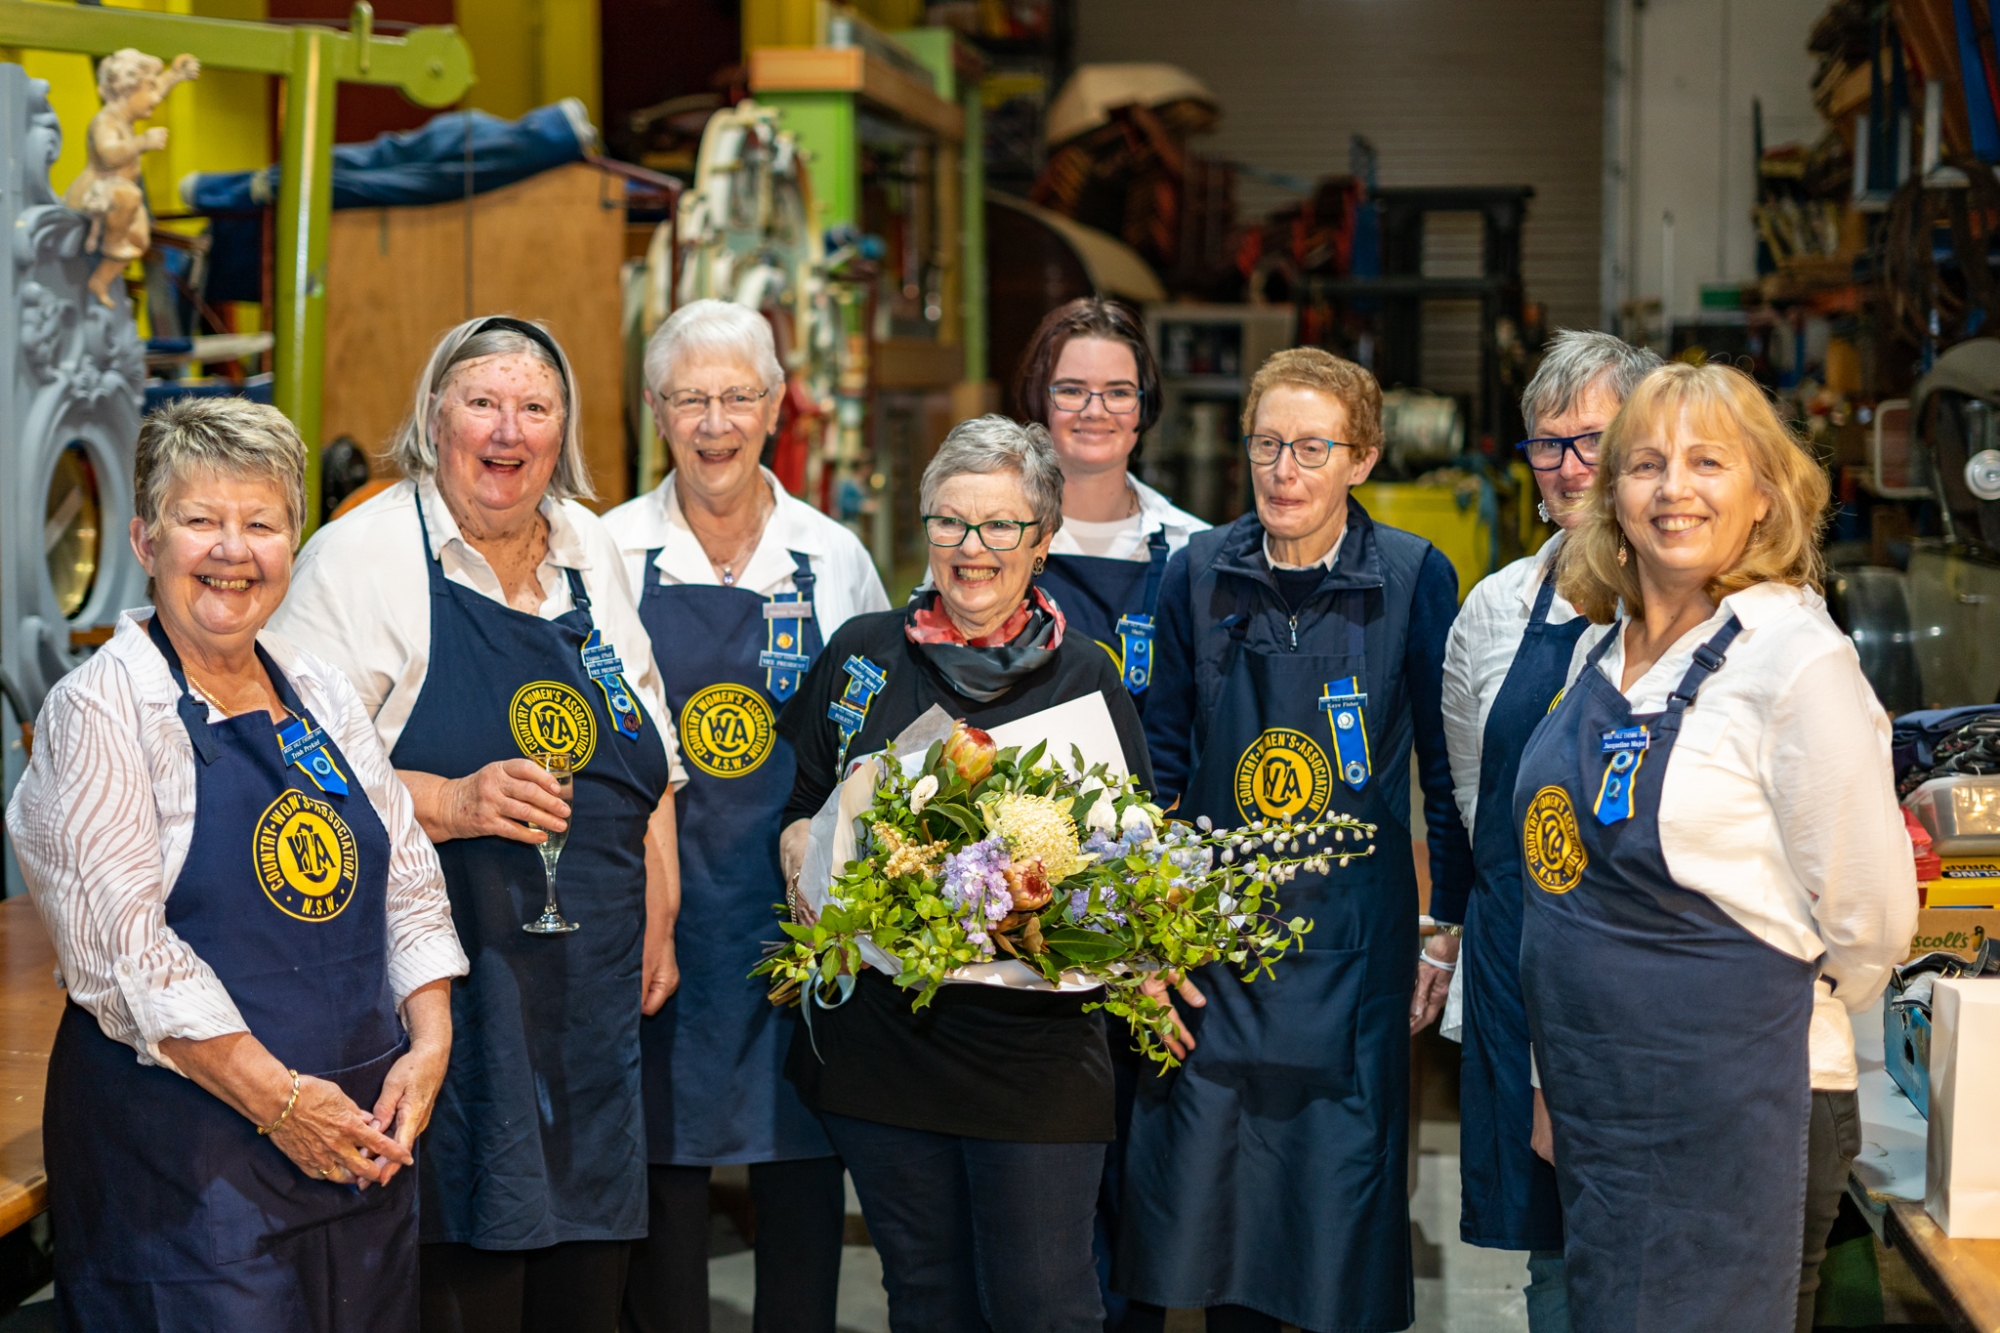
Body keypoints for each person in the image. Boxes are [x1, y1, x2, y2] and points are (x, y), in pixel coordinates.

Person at [7, 397, 466, 1329]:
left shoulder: (321, 688)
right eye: (200, 519)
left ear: (292, 543)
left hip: (358, 1152)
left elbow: (408, 876)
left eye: (261, 523)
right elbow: (129, 956)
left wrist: (429, 1044)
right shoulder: (99, 709)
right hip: (191, 1177)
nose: (232, 550)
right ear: (144, 539)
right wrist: (285, 1104)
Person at [272, 316, 685, 1333]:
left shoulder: (588, 546)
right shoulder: (360, 557)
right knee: (466, 1286)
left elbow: (653, 751)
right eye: (483, 403)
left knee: (585, 1295)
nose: (509, 430)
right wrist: (451, 802)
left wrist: (662, 904)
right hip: (443, 1005)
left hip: (588, 1015)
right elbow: (288, 767)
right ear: (434, 417)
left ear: (563, 429)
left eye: (535, 407)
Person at [1521, 361, 1917, 1331]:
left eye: (1708, 462)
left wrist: (1743, 1010)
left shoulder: (1796, 659)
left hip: (1739, 1110)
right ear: (1611, 496)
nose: (1674, 489)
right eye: (1645, 464)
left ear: (1764, 494)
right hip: (1600, 1102)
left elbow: (1871, 920)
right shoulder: (1599, 650)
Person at [1118, 347, 1473, 1333]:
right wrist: (1146, 934)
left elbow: (1445, 772)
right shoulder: (1197, 573)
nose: (1284, 470)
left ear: (1361, 458)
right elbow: (1160, 766)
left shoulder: (1411, 578)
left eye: (1312, 447)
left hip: (1349, 960)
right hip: (1214, 959)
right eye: (1266, 444)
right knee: (1220, 1233)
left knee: (1331, 1232)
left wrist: (1442, 926)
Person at [774, 416, 1152, 1333]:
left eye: (999, 525)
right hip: (885, 1050)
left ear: (1042, 538)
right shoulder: (863, 655)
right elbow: (804, 797)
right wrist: (798, 853)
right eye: (950, 520)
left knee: (1045, 1305)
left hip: (1036, 1059)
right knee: (927, 1300)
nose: (971, 547)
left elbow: (1129, 861)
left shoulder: (1085, 679)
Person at [602, 299, 889, 1333]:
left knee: (802, 1170)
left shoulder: (834, 557)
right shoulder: (606, 550)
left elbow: (874, 748)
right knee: (662, 1174)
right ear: (655, 410)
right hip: (657, 921)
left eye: (736, 397)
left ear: (775, 406)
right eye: (690, 399)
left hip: (796, 924)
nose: (714, 423)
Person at [1439, 330, 1662, 1329]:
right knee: (1554, 1261)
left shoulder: (1685, 609)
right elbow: (1471, 795)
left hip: (1637, 974)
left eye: (1592, 441)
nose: (1569, 467)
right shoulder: (1493, 610)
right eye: (1546, 443)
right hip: (1519, 961)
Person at [1016, 297, 1207, 706]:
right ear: (1041, 399)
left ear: (1143, 405)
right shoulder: (988, 539)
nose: (1095, 410)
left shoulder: (1193, 549)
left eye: (1118, 392)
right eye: (1072, 390)